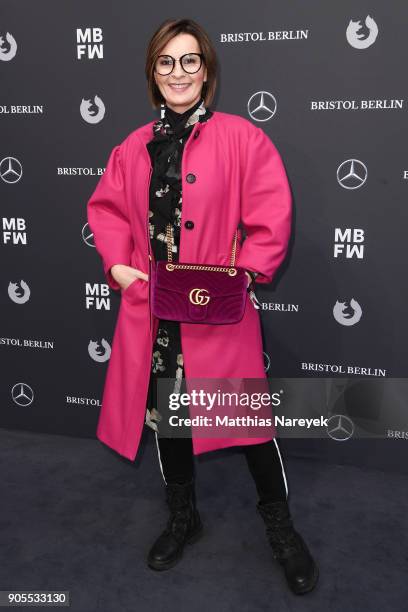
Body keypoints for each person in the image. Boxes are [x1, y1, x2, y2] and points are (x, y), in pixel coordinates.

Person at [87, 18, 318, 595]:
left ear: (207, 71)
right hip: (154, 313)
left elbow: (271, 217)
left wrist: (244, 274)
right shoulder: (131, 146)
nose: (178, 72)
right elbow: (108, 210)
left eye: (190, 60)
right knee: (170, 423)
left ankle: (282, 530)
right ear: (152, 74)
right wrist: (117, 262)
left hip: (215, 312)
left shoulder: (243, 138)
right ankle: (183, 517)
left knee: (247, 427)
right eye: (166, 62)